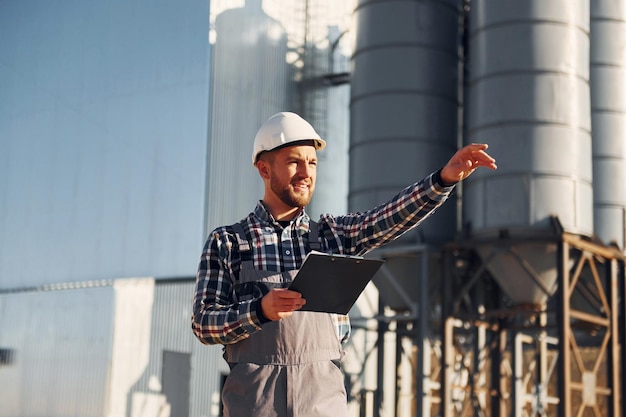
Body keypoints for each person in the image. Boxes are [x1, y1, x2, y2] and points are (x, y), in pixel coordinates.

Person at [192, 111, 497, 417]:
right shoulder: (229, 242)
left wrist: (442, 180)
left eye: (312, 163)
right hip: (255, 408)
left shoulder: (332, 237)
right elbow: (204, 324)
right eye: (293, 161)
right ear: (264, 169)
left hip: (322, 406)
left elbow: (386, 219)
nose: (305, 172)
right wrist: (259, 311)